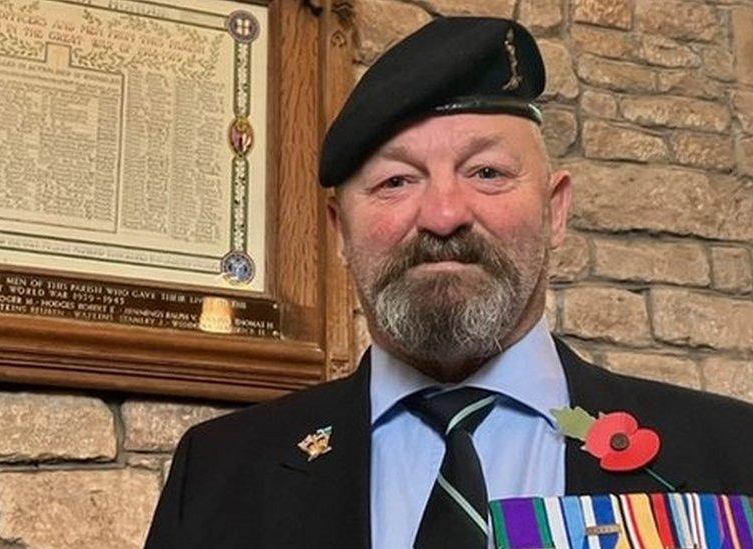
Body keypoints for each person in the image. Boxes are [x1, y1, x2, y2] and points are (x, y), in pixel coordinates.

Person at [145, 16, 753, 549]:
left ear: (556, 210)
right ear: (339, 230)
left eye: (486, 172)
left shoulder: (731, 453)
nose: (442, 215)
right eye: (396, 182)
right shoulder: (222, 474)